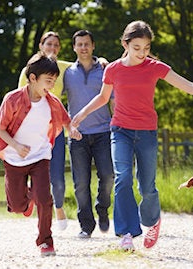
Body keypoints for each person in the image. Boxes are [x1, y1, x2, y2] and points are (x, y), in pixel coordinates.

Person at [70, 20, 193, 252]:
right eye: (137, 47)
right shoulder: (113, 69)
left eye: (146, 47)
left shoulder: (155, 67)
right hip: (120, 130)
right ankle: (127, 233)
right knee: (122, 179)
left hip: (147, 133)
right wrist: (81, 113)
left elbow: (191, 87)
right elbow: (103, 98)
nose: (142, 53)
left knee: (147, 186)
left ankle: (151, 222)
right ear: (125, 44)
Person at [0, 52, 81, 257]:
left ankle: (45, 241)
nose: (51, 85)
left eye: (54, 80)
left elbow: (65, 120)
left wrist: (72, 130)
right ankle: (26, 200)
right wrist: (16, 145)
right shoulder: (12, 99)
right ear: (32, 78)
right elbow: (0, 128)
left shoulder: (52, 102)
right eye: (48, 80)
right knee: (18, 205)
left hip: (40, 156)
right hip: (14, 157)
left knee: (45, 199)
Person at [62, 30, 114, 239]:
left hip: (103, 132)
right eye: (79, 44)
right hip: (77, 136)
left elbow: (113, 99)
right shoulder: (67, 73)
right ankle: (86, 225)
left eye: (87, 44)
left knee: (108, 176)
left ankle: (102, 208)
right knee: (81, 183)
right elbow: (54, 97)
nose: (83, 48)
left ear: (93, 46)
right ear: (74, 47)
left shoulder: (104, 69)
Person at [17, 31, 72, 230]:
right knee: (33, 172)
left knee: (57, 178)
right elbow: (20, 99)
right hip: (32, 131)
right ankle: (30, 198)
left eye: (56, 45)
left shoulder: (66, 68)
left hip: (55, 131)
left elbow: (86, 66)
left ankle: (58, 207)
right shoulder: (28, 70)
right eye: (49, 44)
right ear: (41, 46)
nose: (53, 48)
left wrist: (100, 59)